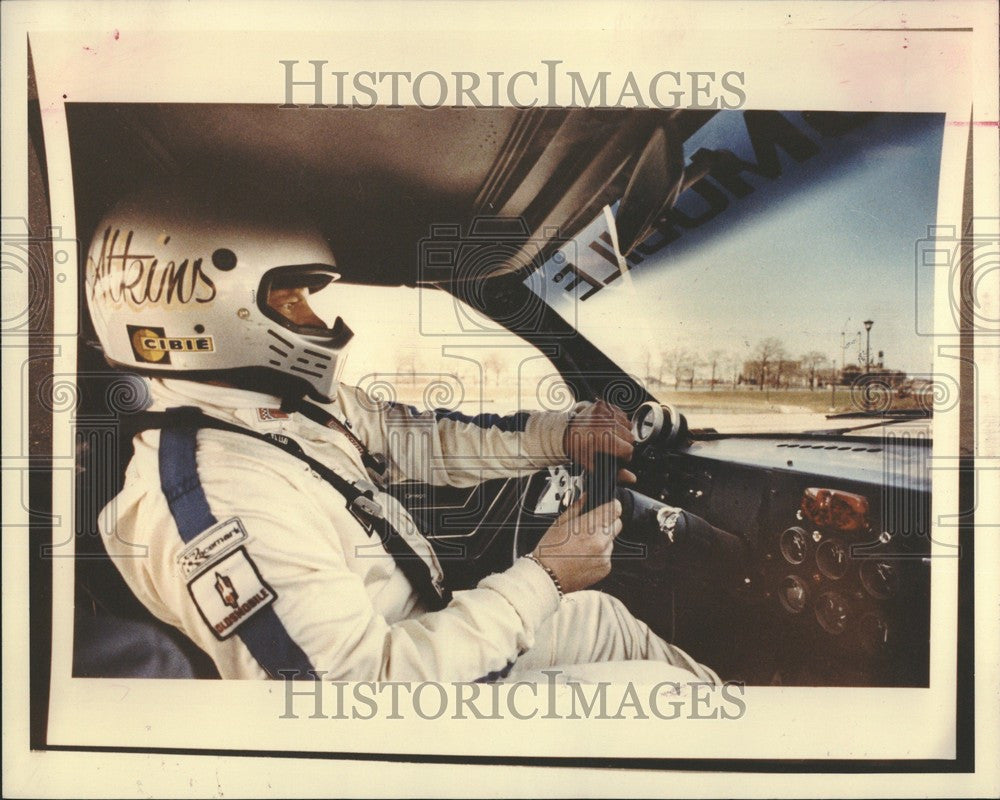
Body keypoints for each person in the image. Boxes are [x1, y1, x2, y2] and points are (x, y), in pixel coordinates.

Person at [86, 185, 718, 684]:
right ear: (198, 312)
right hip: (410, 709)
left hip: (427, 641)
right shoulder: (218, 496)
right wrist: (547, 576)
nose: (316, 319)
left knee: (606, 619)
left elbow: (422, 438)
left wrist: (565, 433)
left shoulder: (273, 408)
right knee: (676, 700)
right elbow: (348, 698)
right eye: (289, 299)